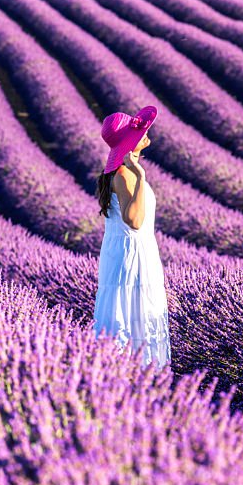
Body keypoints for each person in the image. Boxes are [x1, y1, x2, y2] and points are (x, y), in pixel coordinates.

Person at [93, 107, 170, 369]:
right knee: (132, 319)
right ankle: (137, 382)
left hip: (133, 252)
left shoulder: (121, 173)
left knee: (134, 319)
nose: (146, 132)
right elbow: (134, 221)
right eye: (140, 131)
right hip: (131, 256)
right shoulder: (125, 175)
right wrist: (141, 176)